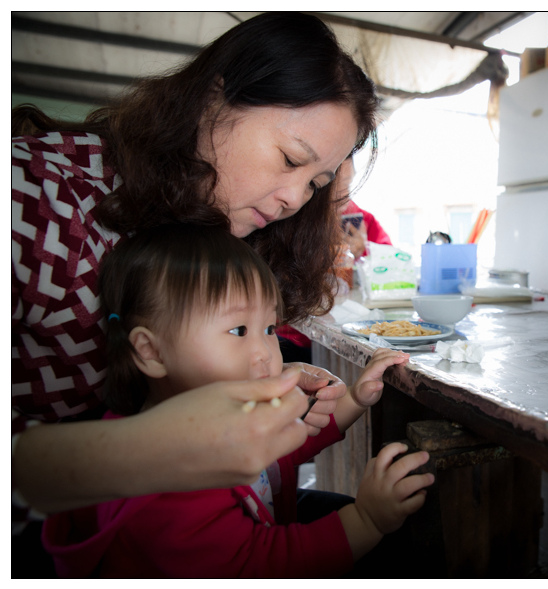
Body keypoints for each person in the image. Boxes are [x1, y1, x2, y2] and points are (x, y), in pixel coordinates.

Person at [11, 12, 379, 575]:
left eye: (316, 184)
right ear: (215, 96)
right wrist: (155, 446)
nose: (293, 199)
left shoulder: (225, 225)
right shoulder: (35, 203)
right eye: (290, 159)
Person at [41, 224, 433, 577]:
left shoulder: (222, 418)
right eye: (238, 329)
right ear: (152, 352)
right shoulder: (165, 484)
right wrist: (367, 519)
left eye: (267, 327)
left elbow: (278, 455)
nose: (266, 351)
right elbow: (260, 565)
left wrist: (353, 399)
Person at [276, 156, 393, 362]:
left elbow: (389, 266)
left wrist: (361, 253)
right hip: (289, 338)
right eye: (336, 190)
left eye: (348, 186)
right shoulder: (281, 220)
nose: (345, 200)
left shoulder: (359, 220)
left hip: (343, 332)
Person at [337, 158, 393, 260]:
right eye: (330, 186)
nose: (340, 195)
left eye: (346, 185)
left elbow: (390, 263)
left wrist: (363, 252)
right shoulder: (299, 218)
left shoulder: (366, 222)